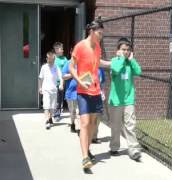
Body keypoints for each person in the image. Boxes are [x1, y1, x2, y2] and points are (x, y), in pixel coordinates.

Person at [69, 17, 110, 170]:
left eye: (102, 34)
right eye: (99, 33)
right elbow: (71, 65)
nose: (101, 36)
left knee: (93, 123)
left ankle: (88, 149)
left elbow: (98, 62)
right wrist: (79, 80)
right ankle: (85, 157)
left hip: (95, 90)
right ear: (91, 32)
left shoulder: (98, 47)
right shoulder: (80, 46)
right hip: (83, 90)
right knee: (85, 123)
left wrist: (113, 63)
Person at [108, 37, 142, 161]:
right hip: (116, 101)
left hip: (129, 100)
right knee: (116, 126)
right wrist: (121, 58)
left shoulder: (130, 63)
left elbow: (138, 71)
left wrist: (132, 60)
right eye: (123, 49)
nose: (126, 52)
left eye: (128, 50)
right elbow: (116, 70)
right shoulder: (114, 61)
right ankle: (114, 147)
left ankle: (134, 150)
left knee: (130, 125)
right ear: (118, 50)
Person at [39, 50, 63, 130]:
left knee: (52, 107)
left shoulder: (56, 67)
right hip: (46, 89)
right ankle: (47, 121)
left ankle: (50, 118)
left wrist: (61, 84)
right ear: (46, 58)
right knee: (46, 106)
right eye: (48, 59)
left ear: (54, 59)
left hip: (54, 90)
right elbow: (40, 78)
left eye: (51, 59)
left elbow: (61, 77)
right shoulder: (44, 67)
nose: (49, 60)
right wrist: (40, 87)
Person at [62, 59, 79, 133]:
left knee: (79, 111)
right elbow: (64, 76)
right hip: (71, 92)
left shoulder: (82, 62)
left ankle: (81, 127)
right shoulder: (68, 63)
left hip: (81, 91)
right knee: (72, 111)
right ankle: (72, 124)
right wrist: (73, 74)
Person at [53, 42, 68, 121]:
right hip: (52, 83)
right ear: (56, 50)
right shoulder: (52, 58)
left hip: (61, 83)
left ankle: (57, 114)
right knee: (53, 99)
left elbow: (67, 69)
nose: (63, 50)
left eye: (62, 49)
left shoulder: (64, 59)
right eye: (61, 49)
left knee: (59, 99)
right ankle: (52, 112)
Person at [91, 68, 106, 144]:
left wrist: (103, 92)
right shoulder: (88, 66)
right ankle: (89, 135)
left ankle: (94, 136)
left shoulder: (101, 70)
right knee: (90, 116)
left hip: (98, 94)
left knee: (98, 116)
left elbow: (102, 82)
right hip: (89, 95)